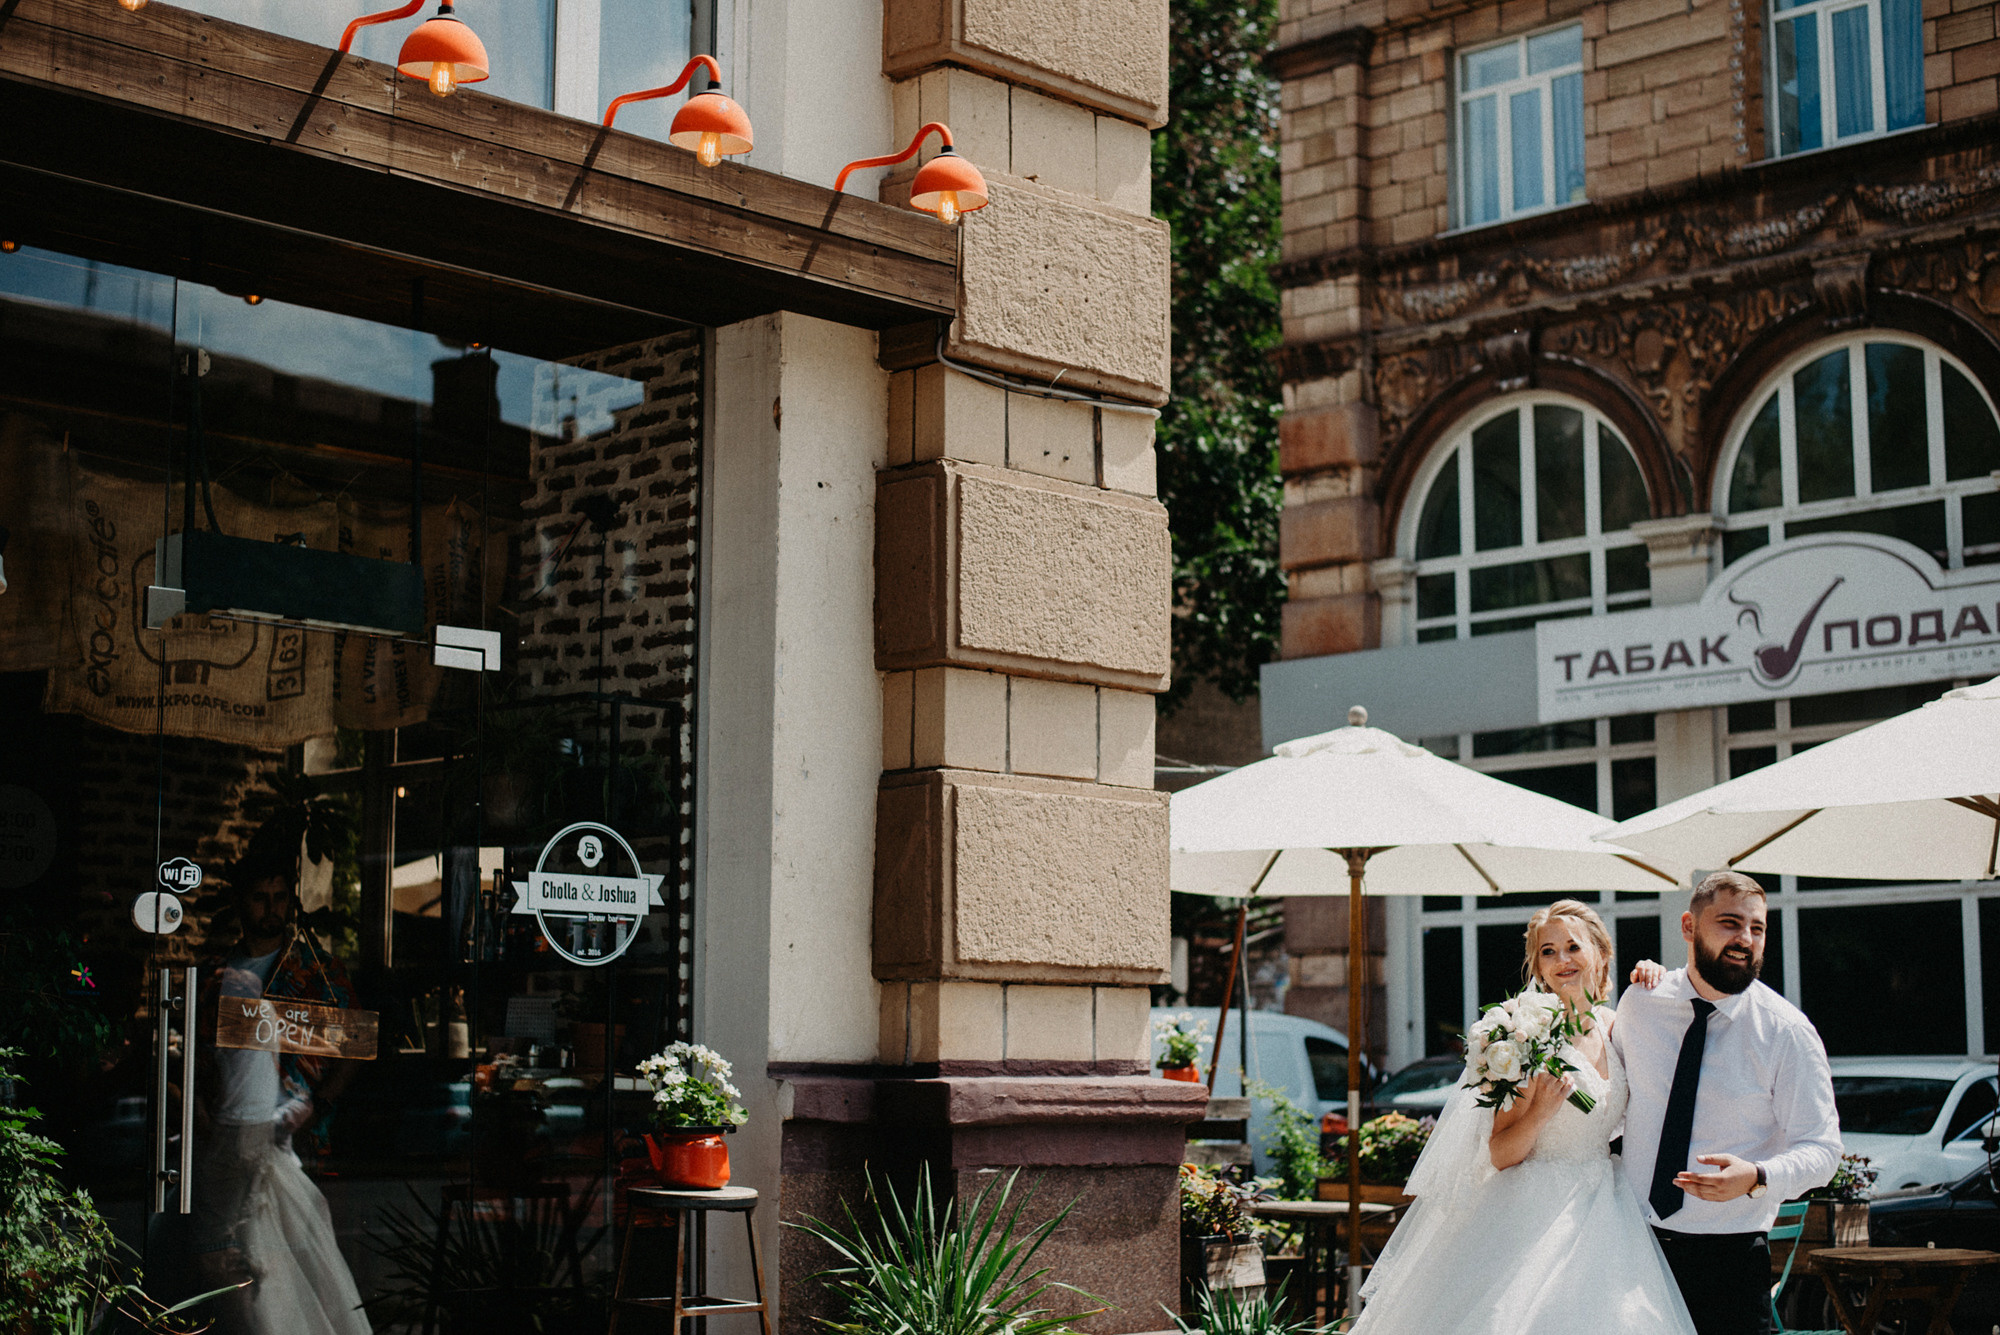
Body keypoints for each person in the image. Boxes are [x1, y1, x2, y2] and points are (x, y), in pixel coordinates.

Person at [1351, 900, 1697, 1335]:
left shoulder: (1616, 1026)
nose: (1561, 960)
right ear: (1536, 965)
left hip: (1607, 1208)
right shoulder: (1524, 1036)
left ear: (1601, 953)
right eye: (1548, 952)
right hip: (1531, 1213)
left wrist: (1656, 975)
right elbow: (1498, 1153)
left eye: (1573, 947)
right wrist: (1540, 1112)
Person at [1615, 871, 1841, 1335]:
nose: (1745, 939)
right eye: (1730, 923)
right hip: (1635, 1247)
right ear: (1688, 927)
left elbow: (1823, 1150)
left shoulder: (1787, 1032)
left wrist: (1758, 1177)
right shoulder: (1641, 1003)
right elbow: (1612, 1103)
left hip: (1730, 1261)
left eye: (1757, 928)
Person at [190, 832, 372, 1335]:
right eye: (259, 898)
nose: (271, 909)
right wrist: (196, 1103)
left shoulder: (314, 971)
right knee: (231, 1256)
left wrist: (318, 1102)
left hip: (292, 1135)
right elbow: (204, 1054)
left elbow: (356, 1046)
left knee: (294, 1258)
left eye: (279, 898)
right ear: (241, 902)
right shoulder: (216, 974)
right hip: (225, 1137)